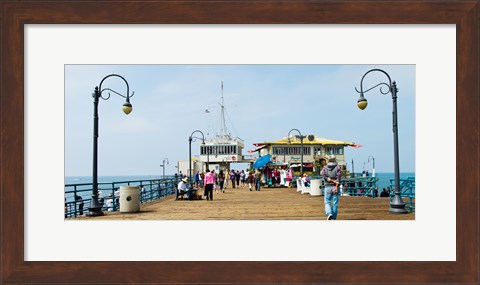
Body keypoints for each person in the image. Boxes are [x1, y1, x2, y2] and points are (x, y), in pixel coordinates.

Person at [321, 154, 341, 220]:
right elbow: (338, 178)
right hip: (335, 187)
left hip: (327, 186)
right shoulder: (337, 167)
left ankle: (329, 213)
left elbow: (324, 177)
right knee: (335, 203)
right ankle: (334, 218)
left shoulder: (325, 168)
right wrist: (336, 186)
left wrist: (330, 180)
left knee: (327, 202)